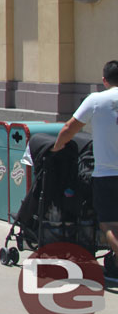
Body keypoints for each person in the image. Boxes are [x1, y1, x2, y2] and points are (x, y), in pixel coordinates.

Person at [51, 60, 118, 282]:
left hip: (107, 175)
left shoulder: (96, 100)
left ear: (104, 80)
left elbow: (70, 128)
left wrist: (57, 147)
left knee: (109, 224)